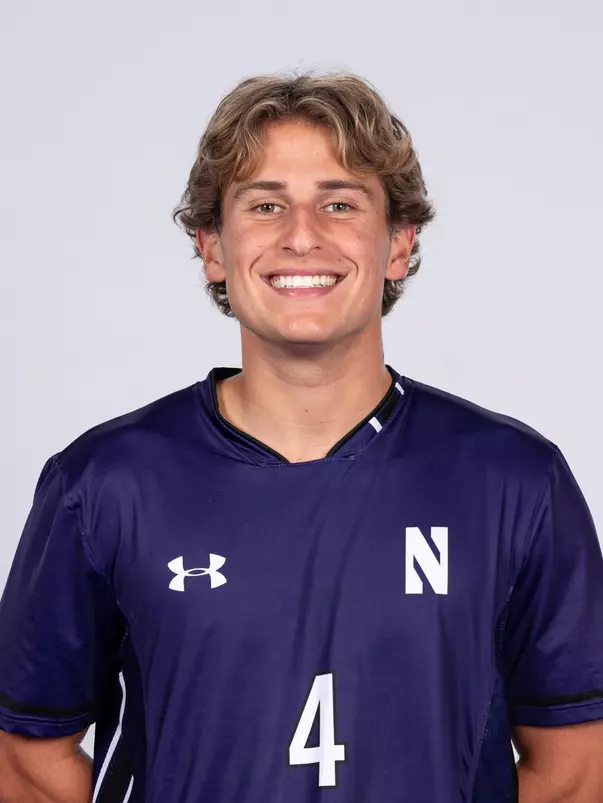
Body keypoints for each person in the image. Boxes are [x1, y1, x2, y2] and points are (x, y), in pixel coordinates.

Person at [0, 71, 602, 803]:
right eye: (265, 204)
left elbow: (575, 769)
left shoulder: (515, 480)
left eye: (339, 202)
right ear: (213, 248)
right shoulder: (102, 483)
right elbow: (30, 761)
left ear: (397, 245)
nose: (301, 235)